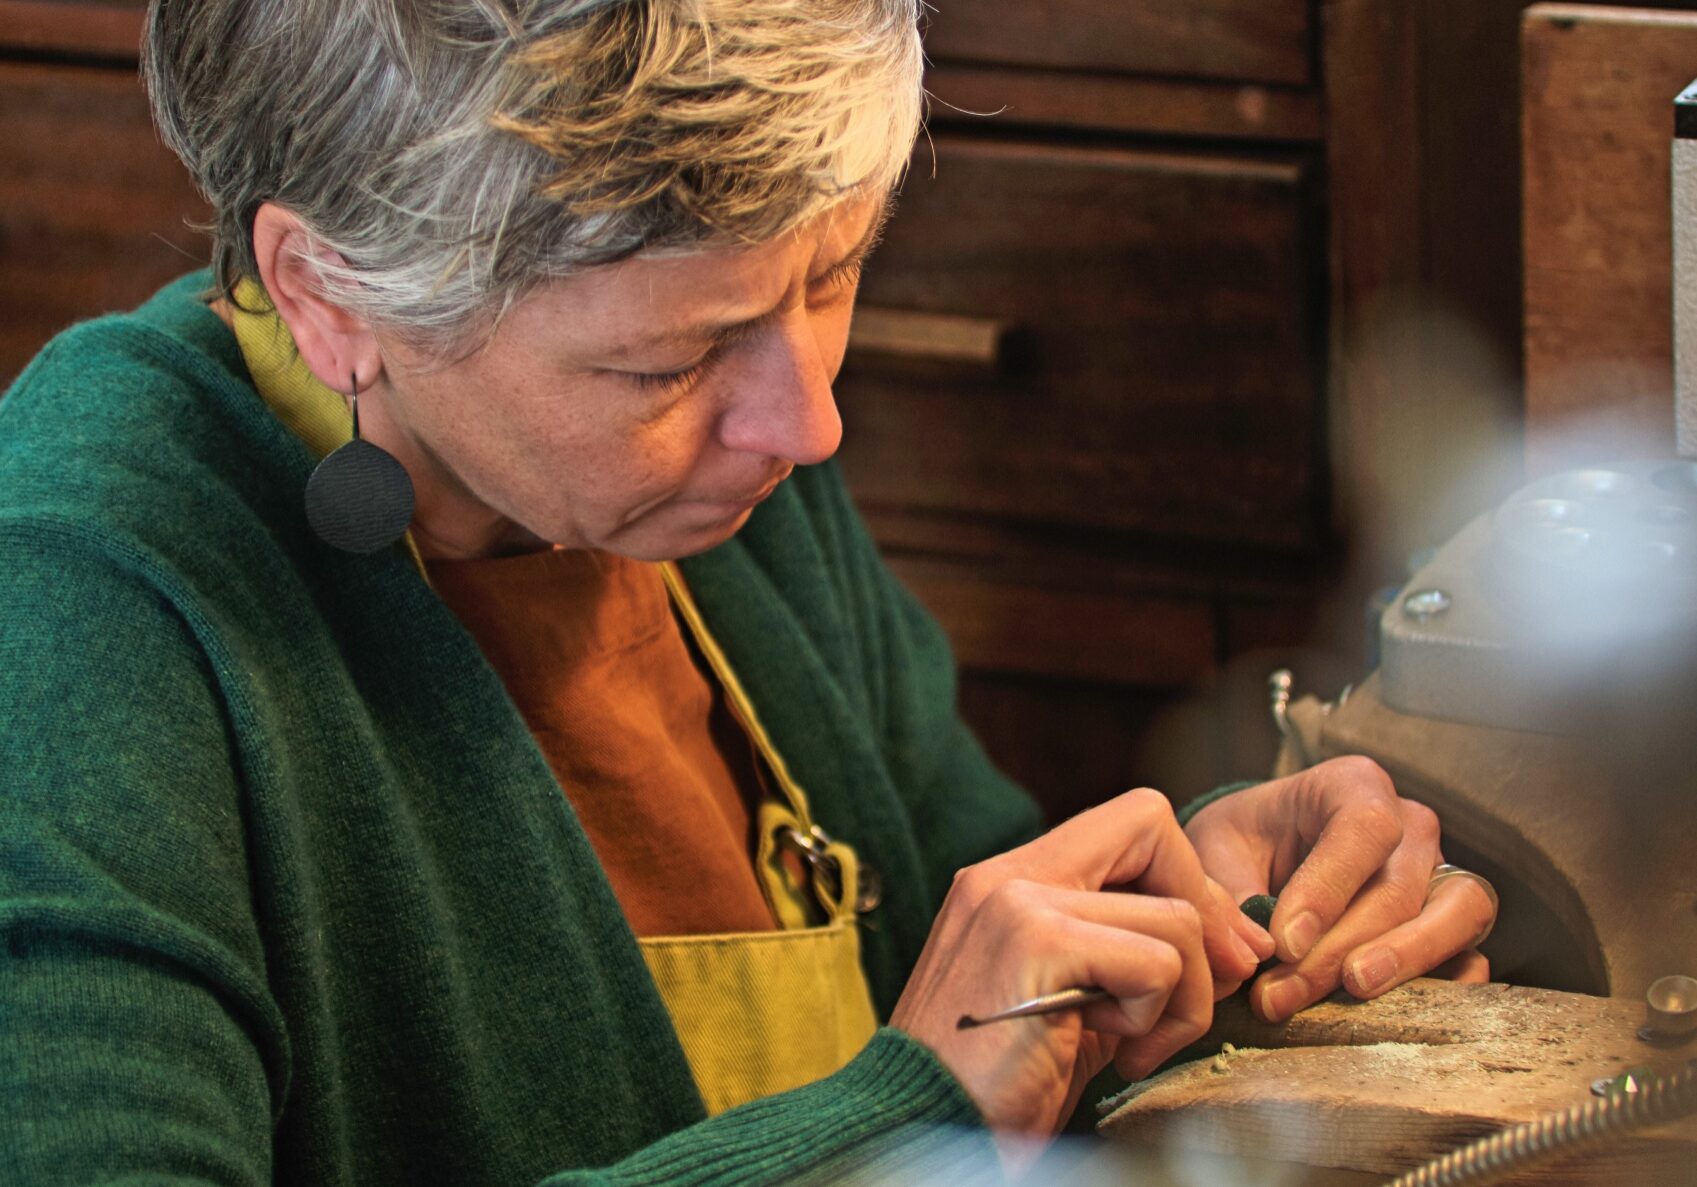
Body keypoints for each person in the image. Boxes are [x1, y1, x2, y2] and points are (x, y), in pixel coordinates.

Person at [0, 0, 1496, 1182]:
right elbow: (925, 1079)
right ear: (329, 297)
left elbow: (958, 928)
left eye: (832, 277)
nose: (807, 423)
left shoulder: (709, 478)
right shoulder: (77, 601)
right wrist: (898, 1119)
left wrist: (1182, 931)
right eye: (665, 362)